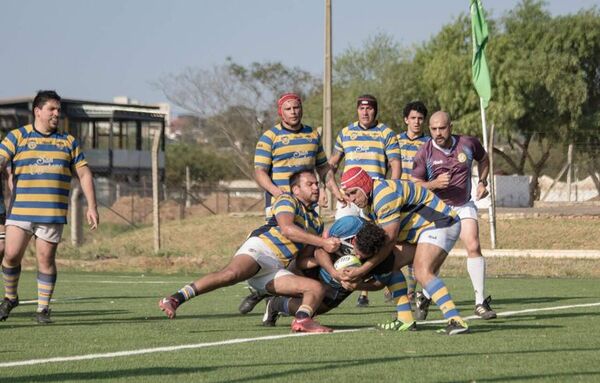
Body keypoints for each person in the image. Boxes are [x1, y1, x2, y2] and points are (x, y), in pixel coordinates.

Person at [159, 169, 341, 333]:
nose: (316, 187)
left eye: (317, 183)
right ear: (296, 189)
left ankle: (302, 320)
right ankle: (175, 299)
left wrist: (329, 260)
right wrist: (323, 242)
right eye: (310, 184)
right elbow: (287, 229)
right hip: (261, 248)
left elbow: (301, 260)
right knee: (231, 275)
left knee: (315, 289)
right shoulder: (287, 199)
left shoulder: (317, 222)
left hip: (276, 267)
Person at [0, 90, 99, 324]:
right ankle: (10, 297)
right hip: (21, 210)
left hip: (52, 213)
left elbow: (84, 174)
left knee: (45, 259)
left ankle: (43, 310)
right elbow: (2, 160)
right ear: (38, 111)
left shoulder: (68, 141)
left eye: (58, 109)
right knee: (11, 255)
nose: (57, 113)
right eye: (52, 109)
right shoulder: (17, 137)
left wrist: (92, 206)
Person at [339, 166, 470, 335]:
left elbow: (389, 240)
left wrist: (362, 270)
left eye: (353, 193)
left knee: (421, 272)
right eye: (348, 195)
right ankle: (405, 319)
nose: (351, 199)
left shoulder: (383, 196)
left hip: (441, 223)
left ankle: (456, 320)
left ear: (364, 185)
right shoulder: (369, 205)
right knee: (388, 264)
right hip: (419, 232)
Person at [242, 93, 341, 313]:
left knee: (300, 254)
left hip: (307, 206)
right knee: (281, 251)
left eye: (296, 107)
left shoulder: (312, 135)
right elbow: (260, 171)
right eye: (288, 109)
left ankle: (274, 299)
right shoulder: (270, 137)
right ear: (281, 112)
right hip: (280, 204)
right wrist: (277, 193)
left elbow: (323, 167)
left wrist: (329, 189)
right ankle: (266, 291)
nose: (293, 112)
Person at [262, 215, 419, 332]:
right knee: (300, 264)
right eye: (357, 252)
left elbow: (379, 284)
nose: (356, 258)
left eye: (363, 258)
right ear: (354, 240)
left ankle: (275, 304)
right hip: (318, 266)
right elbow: (319, 251)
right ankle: (262, 288)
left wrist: (358, 285)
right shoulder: (348, 225)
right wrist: (333, 272)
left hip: (338, 286)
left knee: (318, 309)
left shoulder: (383, 258)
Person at [411, 111, 496, 320]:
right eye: (433, 129)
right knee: (435, 261)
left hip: (463, 205)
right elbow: (414, 184)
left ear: (451, 126)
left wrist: (483, 182)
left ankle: (480, 302)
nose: (438, 133)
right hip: (437, 210)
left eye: (442, 128)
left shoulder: (467, 143)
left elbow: (484, 159)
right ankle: (424, 296)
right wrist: (434, 184)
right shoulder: (425, 152)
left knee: (473, 245)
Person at [327, 94, 401, 307]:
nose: (365, 112)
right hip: (349, 198)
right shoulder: (346, 133)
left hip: (375, 199)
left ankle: (376, 286)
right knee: (339, 240)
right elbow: (331, 165)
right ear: (357, 110)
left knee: (376, 243)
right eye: (361, 108)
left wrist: (391, 189)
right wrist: (333, 188)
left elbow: (395, 164)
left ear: (375, 111)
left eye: (369, 109)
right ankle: (337, 281)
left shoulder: (386, 133)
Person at [397, 101, 430, 302]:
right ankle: (392, 283)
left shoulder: (429, 143)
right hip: (397, 199)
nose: (416, 122)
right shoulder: (395, 141)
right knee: (392, 242)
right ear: (406, 120)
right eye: (413, 118)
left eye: (420, 119)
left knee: (415, 244)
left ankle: (410, 290)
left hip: (418, 200)